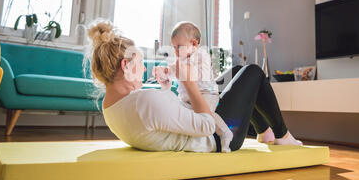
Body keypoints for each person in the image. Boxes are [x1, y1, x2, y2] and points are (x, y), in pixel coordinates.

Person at [86, 21, 302, 155]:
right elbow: (206, 126)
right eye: (140, 62)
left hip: (198, 117)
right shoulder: (145, 102)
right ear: (125, 65)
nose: (143, 69)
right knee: (253, 72)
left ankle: (264, 132)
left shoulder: (111, 109)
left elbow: (166, 117)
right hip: (219, 137)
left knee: (238, 72)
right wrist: (188, 83)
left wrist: (168, 86)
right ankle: (282, 135)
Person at [153, 21, 233, 152]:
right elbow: (174, 70)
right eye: (173, 47)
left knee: (206, 113)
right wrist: (165, 72)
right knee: (187, 115)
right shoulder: (182, 59)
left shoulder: (201, 56)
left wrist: (179, 70)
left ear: (194, 44)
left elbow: (195, 75)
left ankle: (224, 132)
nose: (175, 51)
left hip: (207, 94)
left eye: (178, 46)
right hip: (187, 98)